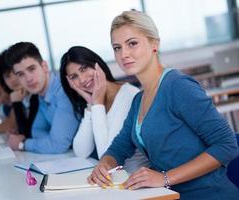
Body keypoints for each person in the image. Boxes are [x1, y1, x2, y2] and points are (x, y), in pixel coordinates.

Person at [88, 10, 239, 199]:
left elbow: (227, 145)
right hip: (170, 195)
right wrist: (104, 164)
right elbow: (119, 148)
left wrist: (164, 178)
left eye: (132, 43)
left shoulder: (177, 86)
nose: (123, 54)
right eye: (117, 48)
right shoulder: (138, 100)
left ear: (154, 44)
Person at [60, 46, 148, 172]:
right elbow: (81, 152)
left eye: (84, 69)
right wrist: (90, 105)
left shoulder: (129, 95)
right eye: (74, 76)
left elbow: (106, 157)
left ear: (97, 64)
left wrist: (97, 104)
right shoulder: (95, 101)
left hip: (135, 181)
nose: (82, 79)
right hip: (116, 181)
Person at [5, 42, 79, 153]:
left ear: (44, 66)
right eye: (21, 74)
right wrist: (49, 141)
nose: (28, 78)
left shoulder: (64, 89)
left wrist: (22, 144)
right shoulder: (41, 94)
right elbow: (36, 132)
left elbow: (58, 145)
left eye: (31, 69)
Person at [0, 50, 39, 139]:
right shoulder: (25, 97)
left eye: (15, 72)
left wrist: (17, 103)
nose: (13, 79)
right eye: (7, 76)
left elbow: (27, 134)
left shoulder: (36, 94)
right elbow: (26, 132)